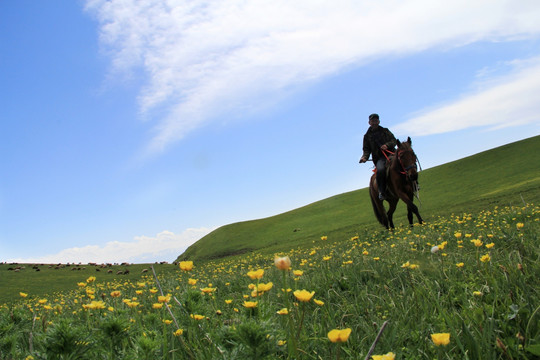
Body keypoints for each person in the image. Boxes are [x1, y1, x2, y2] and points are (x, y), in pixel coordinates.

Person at [359, 113, 397, 200]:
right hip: (380, 158)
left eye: (376, 121)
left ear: (379, 121)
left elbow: (393, 140)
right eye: (372, 121)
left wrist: (387, 145)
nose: (374, 122)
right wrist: (364, 157)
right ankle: (382, 192)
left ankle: (414, 184)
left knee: (406, 160)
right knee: (380, 170)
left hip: (391, 153)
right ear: (369, 123)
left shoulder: (385, 131)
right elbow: (366, 149)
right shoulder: (367, 136)